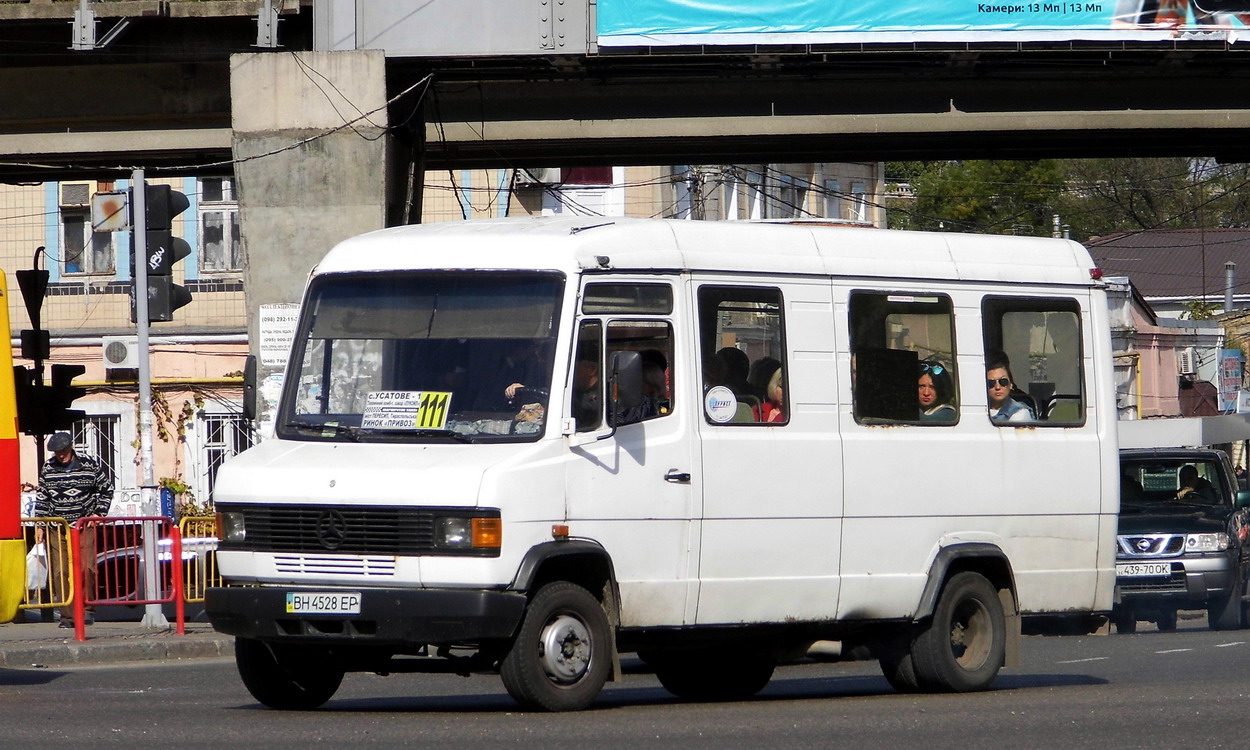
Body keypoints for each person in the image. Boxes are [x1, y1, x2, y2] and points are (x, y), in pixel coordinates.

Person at [33, 432, 112, 628]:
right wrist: (40, 525)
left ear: (71, 447)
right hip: (57, 526)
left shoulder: (89, 465)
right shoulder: (48, 468)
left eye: (63, 450)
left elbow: (106, 489)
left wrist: (98, 514)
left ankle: (87, 610)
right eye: (57, 452)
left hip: (83, 525)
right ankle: (67, 616)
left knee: (86, 568)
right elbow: (42, 497)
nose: (60, 455)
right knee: (60, 572)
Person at [986, 352, 1033, 423]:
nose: (997, 387)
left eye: (1003, 381)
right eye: (991, 383)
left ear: (1011, 384)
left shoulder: (1020, 412)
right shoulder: (976, 412)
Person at [748, 357, 785, 422]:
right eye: (781, 387)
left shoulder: (794, 415)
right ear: (774, 386)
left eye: (789, 388)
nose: (786, 393)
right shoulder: (758, 409)